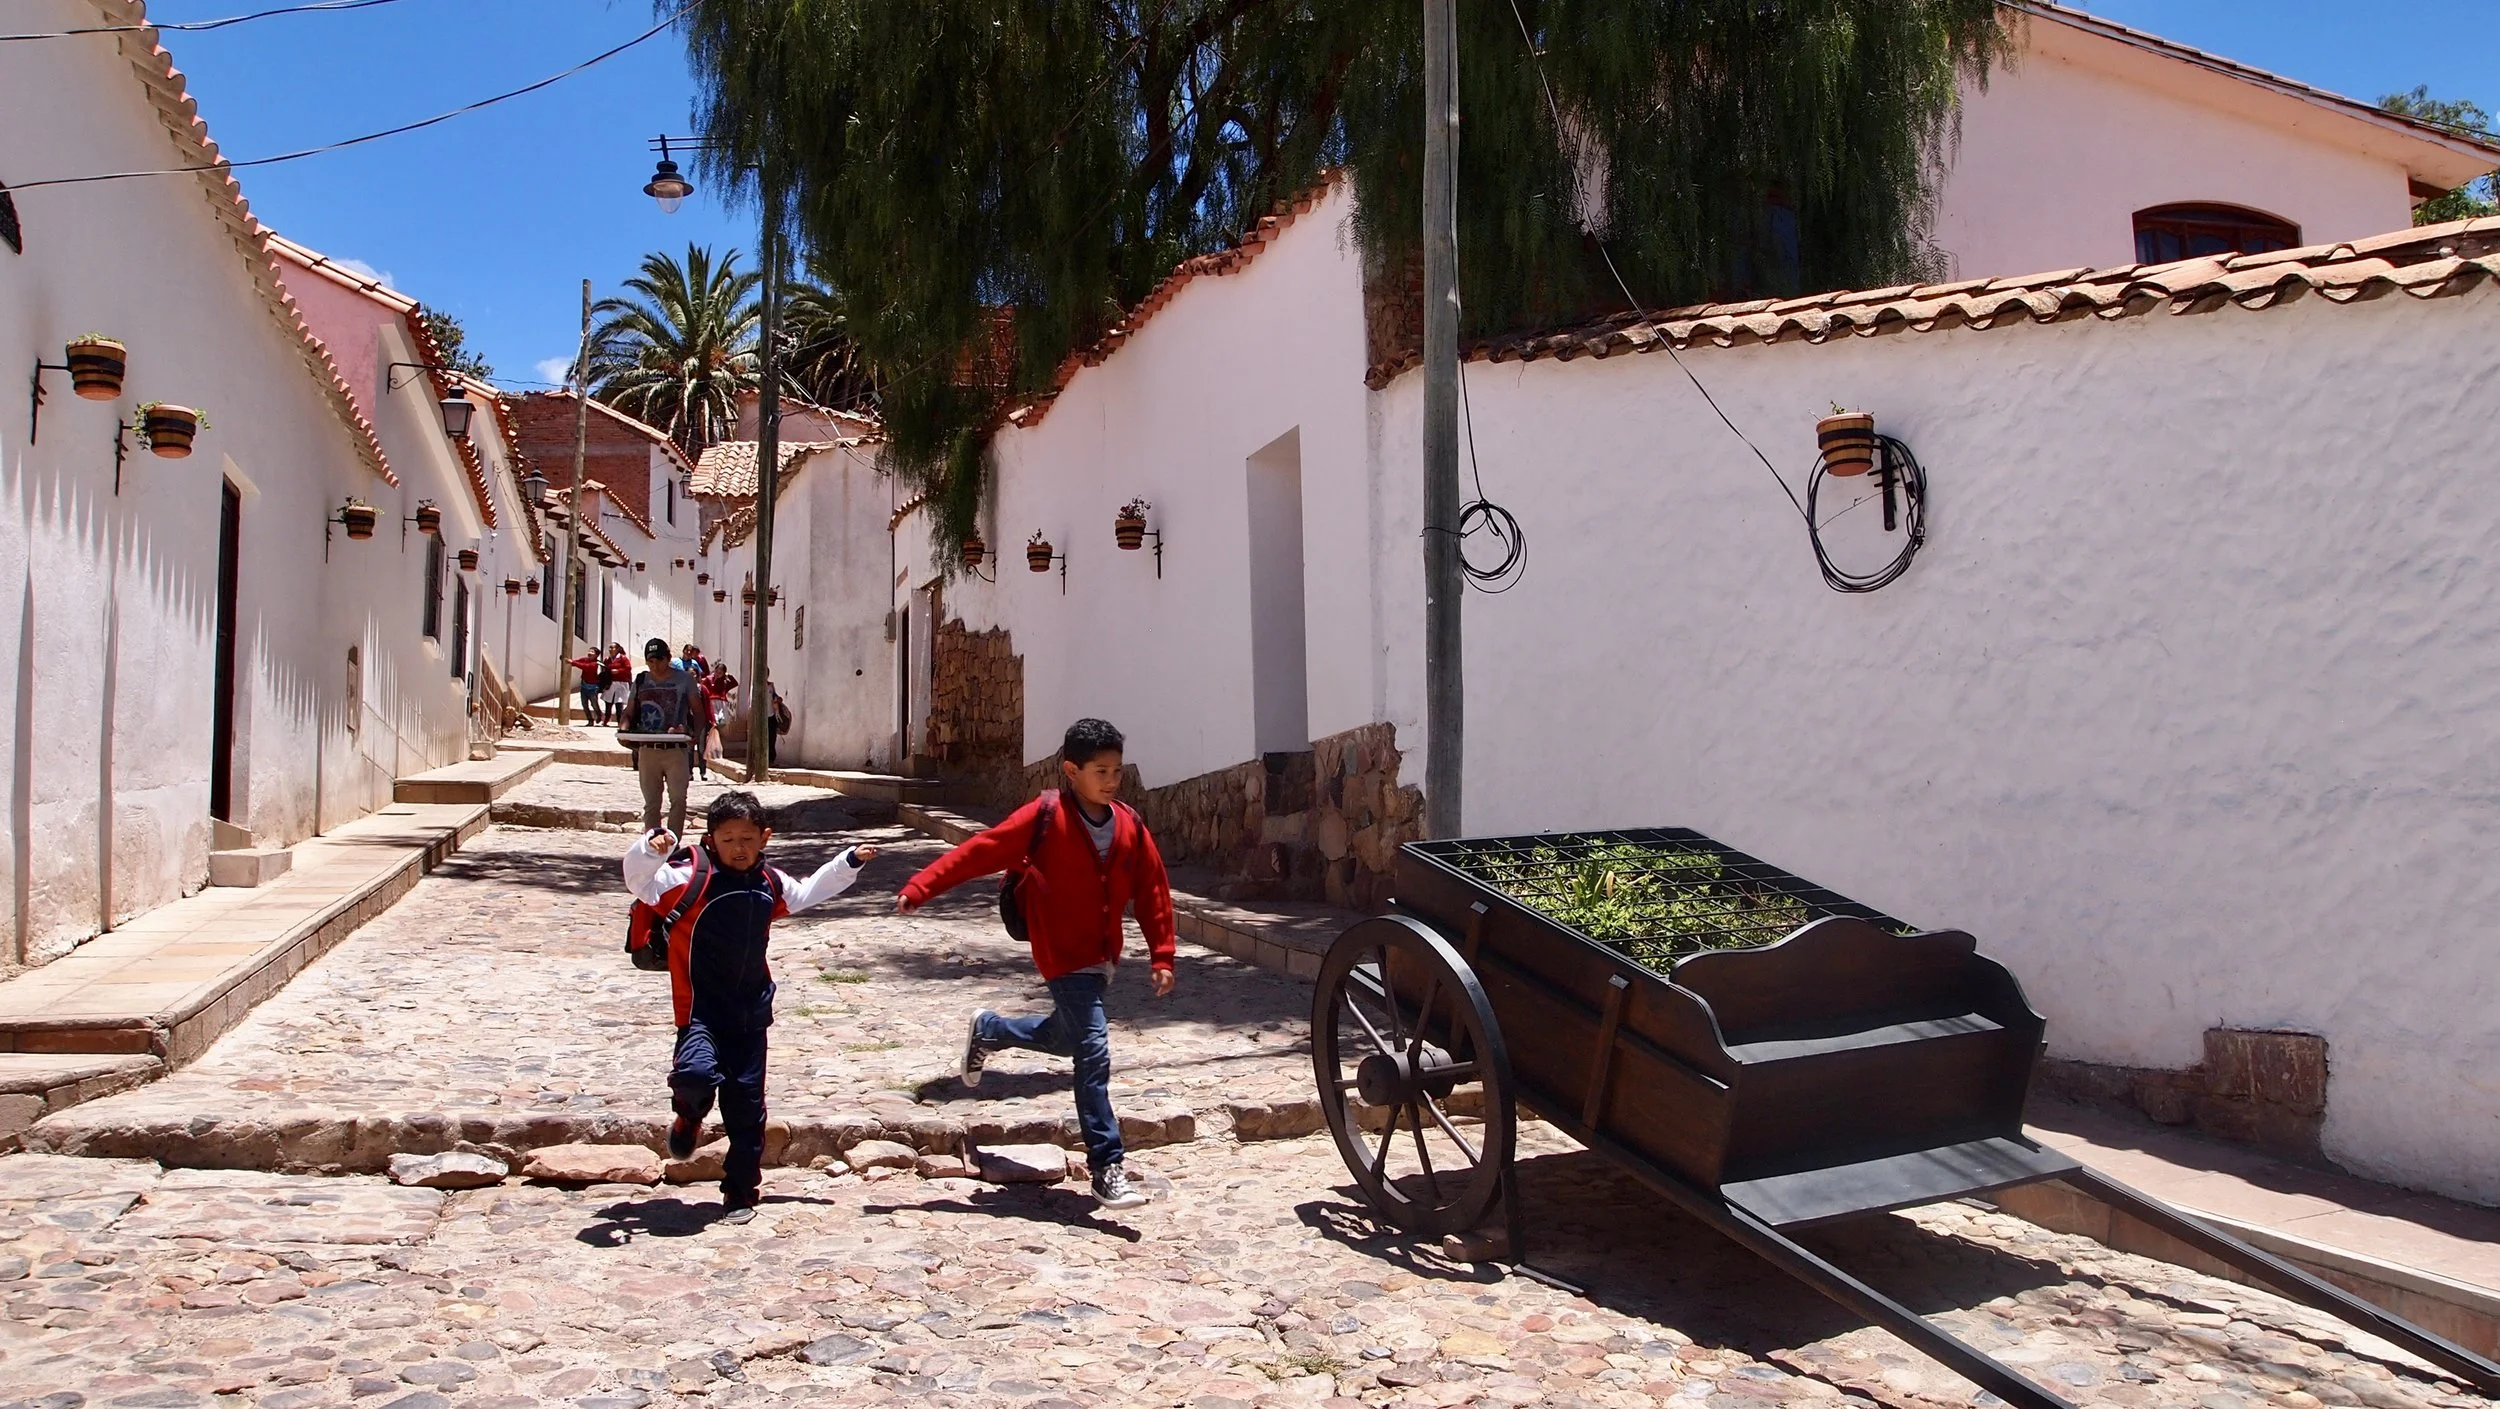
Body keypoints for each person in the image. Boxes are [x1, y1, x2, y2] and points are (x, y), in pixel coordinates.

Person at [896, 718, 1174, 1210]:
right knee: (1093, 1049)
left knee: (1064, 1038)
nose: (1111, 781)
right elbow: (980, 851)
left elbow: (1153, 889)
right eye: (1101, 771)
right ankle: (1107, 1164)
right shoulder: (1044, 816)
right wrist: (922, 887)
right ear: (1072, 770)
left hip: (1103, 955)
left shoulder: (1128, 822)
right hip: (1062, 954)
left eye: (1117, 771)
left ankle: (991, 1030)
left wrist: (1162, 953)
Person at [624, 792, 879, 1222]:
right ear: (710, 840)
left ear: (765, 838)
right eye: (728, 839)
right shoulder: (686, 880)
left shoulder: (770, 883)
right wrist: (649, 850)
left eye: (747, 838)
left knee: (747, 1107)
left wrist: (847, 862)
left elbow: (809, 892)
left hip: (750, 1013)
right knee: (695, 1075)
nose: (738, 848)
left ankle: (741, 1193)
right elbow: (639, 883)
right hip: (699, 1010)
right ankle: (688, 1118)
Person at [623, 638, 708, 838]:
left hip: (676, 748)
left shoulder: (684, 679)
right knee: (652, 802)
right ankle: (653, 844)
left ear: (668, 658)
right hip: (648, 749)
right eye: (651, 661)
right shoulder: (642, 680)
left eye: (659, 660)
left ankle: (673, 843)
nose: (655, 666)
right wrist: (624, 730)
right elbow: (629, 710)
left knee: (678, 798)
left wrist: (694, 735)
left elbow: (698, 710)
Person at [568, 649, 608, 724]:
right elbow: (576, 662)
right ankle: (590, 720)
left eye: (592, 652)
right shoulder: (585, 659)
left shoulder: (595, 663)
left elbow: (585, 666)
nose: (589, 653)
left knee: (594, 704)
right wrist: (568, 661)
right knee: (584, 705)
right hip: (584, 686)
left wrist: (573, 662)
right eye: (589, 651)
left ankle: (599, 714)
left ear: (596, 655)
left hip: (593, 687)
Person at [603, 644, 635, 726]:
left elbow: (628, 668)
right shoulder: (607, 660)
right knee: (608, 702)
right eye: (610, 647)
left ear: (617, 649)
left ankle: (619, 722)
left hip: (621, 683)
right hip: (610, 683)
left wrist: (618, 671)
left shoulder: (623, 658)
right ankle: (606, 720)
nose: (610, 649)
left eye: (612, 647)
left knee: (619, 703)